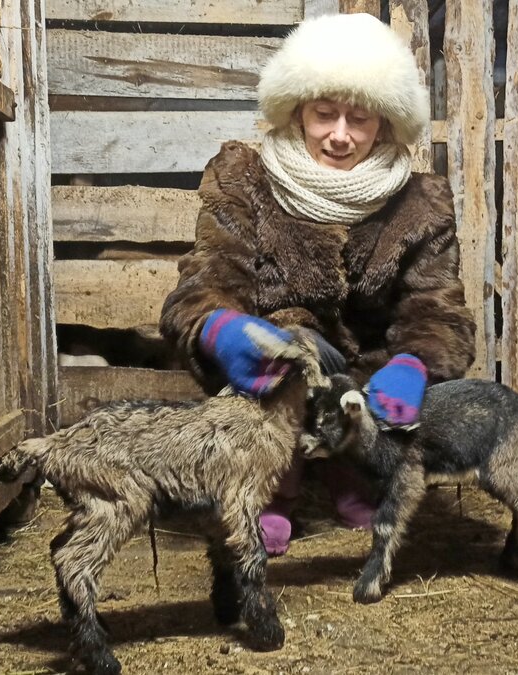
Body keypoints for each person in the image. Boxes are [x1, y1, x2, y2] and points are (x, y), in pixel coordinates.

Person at [160, 12, 476, 556]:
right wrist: (217, 327)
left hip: (366, 387)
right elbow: (205, 284)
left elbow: (436, 308)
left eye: (360, 118)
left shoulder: (421, 203)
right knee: (294, 339)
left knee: (366, 377)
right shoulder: (244, 181)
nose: (340, 135)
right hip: (270, 373)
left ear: (386, 122)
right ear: (297, 110)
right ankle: (273, 485)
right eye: (324, 114)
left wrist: (414, 363)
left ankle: (351, 470)